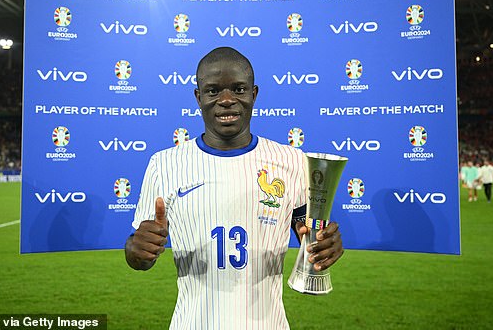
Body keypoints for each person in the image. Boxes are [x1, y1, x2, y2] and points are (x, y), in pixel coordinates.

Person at [125, 47, 344, 329]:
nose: (226, 100)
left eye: (238, 89)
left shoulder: (291, 161)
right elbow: (138, 254)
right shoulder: (164, 164)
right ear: (198, 97)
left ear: (254, 94)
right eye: (213, 91)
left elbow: (309, 239)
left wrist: (325, 246)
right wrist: (136, 249)